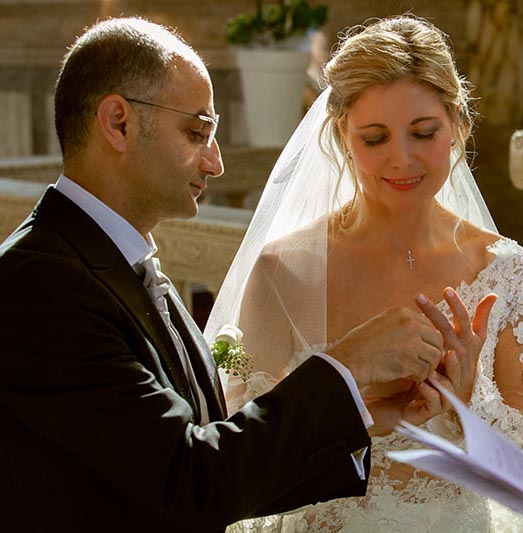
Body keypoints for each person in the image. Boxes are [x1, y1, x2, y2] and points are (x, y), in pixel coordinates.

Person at [0, 16, 469, 533]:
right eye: (197, 131)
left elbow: (211, 453)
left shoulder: (115, 261)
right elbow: (190, 483)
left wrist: (365, 417)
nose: (217, 162)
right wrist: (348, 362)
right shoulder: (39, 285)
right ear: (119, 123)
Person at [205, 15, 523, 532]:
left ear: (459, 127)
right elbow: (243, 455)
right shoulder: (283, 272)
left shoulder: (508, 273)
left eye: (423, 132)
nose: (401, 159)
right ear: (341, 134)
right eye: (375, 138)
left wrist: (470, 402)